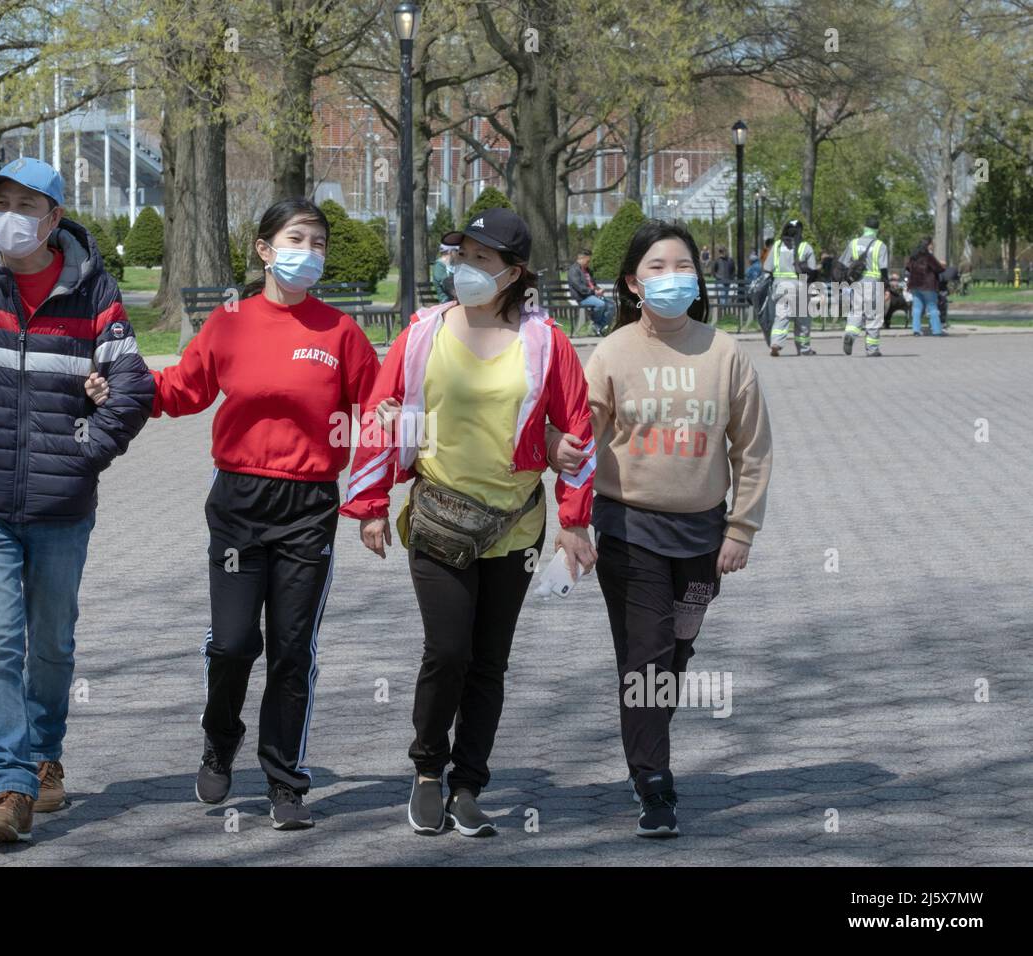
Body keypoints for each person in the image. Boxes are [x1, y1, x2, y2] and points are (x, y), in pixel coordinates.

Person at [86, 198, 380, 830]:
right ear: (265, 249)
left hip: (308, 507)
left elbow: (379, 414)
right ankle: (220, 738)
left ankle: (285, 780)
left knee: (292, 649)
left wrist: (372, 502)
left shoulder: (341, 333)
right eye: (297, 238)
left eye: (320, 242)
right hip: (240, 504)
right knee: (234, 643)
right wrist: (121, 386)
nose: (311, 251)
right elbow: (182, 389)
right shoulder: (230, 322)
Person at [0, 157, 155, 843]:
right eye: (1, 202)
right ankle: (11, 784)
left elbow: (133, 387)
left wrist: (87, 452)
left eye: (27, 204)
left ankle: (47, 754)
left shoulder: (93, 291)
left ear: (54, 218)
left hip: (61, 507)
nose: (10, 217)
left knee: (49, 645)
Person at [341, 207, 597, 837]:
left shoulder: (546, 341)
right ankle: (428, 770)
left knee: (490, 661)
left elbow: (580, 430)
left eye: (484, 260)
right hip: (440, 520)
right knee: (448, 651)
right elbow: (379, 412)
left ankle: (468, 785)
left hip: (516, 524)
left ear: (513, 273)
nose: (467, 269)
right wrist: (370, 505)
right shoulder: (424, 332)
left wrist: (574, 520)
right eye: (462, 256)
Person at [572, 219, 772, 837]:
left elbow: (753, 449)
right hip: (629, 528)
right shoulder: (612, 353)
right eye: (656, 268)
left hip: (704, 538)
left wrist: (741, 529)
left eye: (681, 266)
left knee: (676, 651)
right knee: (648, 655)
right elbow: (581, 440)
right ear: (632, 283)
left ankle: (648, 737)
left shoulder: (725, 351)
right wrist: (568, 512)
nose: (671, 278)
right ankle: (652, 780)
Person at [767, 219, 818, 357]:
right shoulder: (805, 247)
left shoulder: (777, 246)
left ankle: (775, 343)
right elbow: (812, 271)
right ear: (800, 231)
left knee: (781, 316)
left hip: (781, 287)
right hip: (800, 286)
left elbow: (767, 268)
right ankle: (804, 348)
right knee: (803, 319)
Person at [840, 216, 889, 357]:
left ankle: (850, 334)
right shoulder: (881, 245)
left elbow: (843, 263)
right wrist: (886, 287)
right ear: (877, 230)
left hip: (857, 283)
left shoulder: (853, 243)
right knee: (873, 315)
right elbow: (884, 269)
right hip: (874, 283)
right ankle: (872, 349)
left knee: (855, 311)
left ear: (864, 227)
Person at [906, 237, 947, 337]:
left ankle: (916, 330)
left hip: (915, 285)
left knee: (916, 308)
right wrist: (942, 265)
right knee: (932, 307)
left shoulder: (913, 256)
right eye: (932, 244)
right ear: (928, 245)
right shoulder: (928, 256)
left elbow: (907, 267)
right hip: (928, 285)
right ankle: (937, 330)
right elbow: (938, 269)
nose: (933, 246)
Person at [568, 249, 614, 335]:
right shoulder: (573, 270)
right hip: (582, 297)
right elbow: (580, 288)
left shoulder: (587, 270)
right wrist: (595, 292)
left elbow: (593, 283)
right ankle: (596, 324)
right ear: (581, 258)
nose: (588, 263)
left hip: (592, 295)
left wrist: (598, 289)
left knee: (611, 304)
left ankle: (599, 326)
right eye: (587, 261)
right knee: (601, 304)